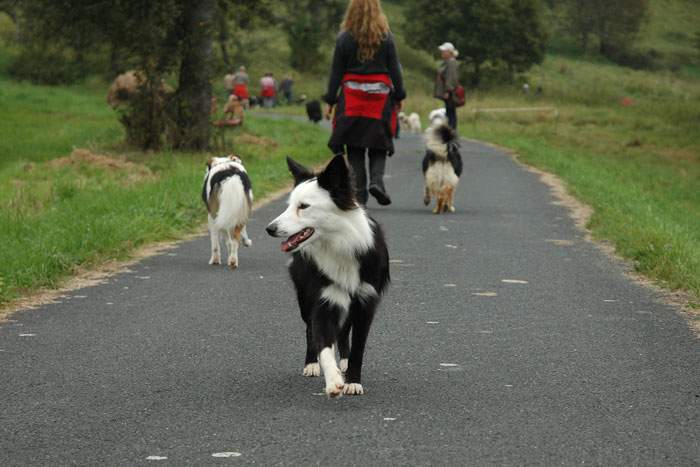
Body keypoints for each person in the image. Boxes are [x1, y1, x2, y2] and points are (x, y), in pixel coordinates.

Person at [323, 0, 405, 206]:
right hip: (379, 98)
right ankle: (377, 182)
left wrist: (331, 100)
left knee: (355, 147)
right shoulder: (386, 37)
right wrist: (399, 95)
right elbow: (395, 68)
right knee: (379, 144)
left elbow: (336, 72)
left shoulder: (344, 39)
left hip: (352, 97)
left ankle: (360, 196)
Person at [434, 42, 459, 129]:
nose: (442, 52)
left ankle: (452, 130)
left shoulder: (451, 62)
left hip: (450, 92)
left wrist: (447, 91)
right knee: (449, 111)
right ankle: (450, 130)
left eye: (444, 51)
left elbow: (451, 77)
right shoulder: (447, 62)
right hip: (448, 91)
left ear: (449, 52)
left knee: (451, 112)